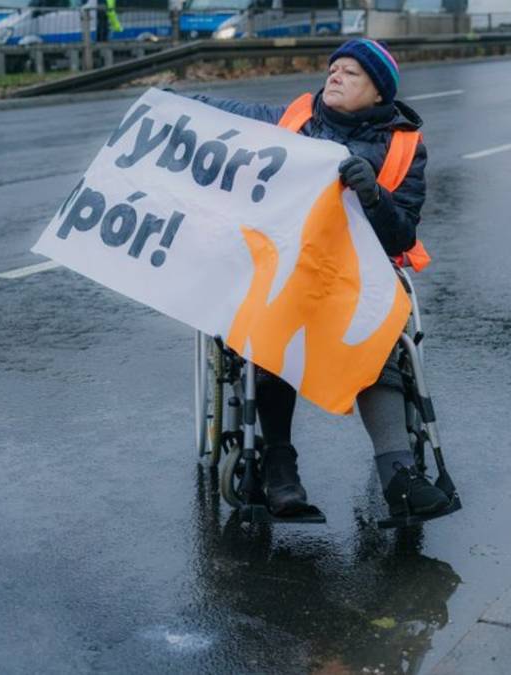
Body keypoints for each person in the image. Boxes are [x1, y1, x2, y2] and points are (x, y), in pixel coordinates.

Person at [181, 39, 451, 523]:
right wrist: (172, 106)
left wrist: (373, 194)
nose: (336, 76)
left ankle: (399, 476)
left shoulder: (405, 147)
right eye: (334, 68)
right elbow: (226, 119)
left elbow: (403, 232)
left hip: (356, 276)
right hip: (284, 268)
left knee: (377, 334)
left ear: (377, 94)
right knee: (267, 327)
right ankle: (279, 467)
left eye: (351, 72)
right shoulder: (293, 120)